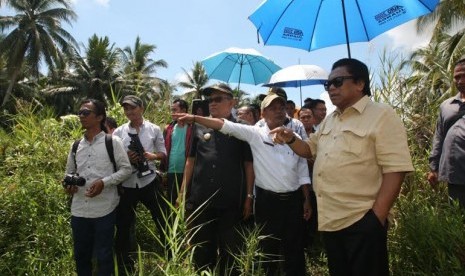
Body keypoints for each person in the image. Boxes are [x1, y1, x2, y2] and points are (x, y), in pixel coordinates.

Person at [271, 58, 414, 276]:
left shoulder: (382, 115)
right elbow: (309, 150)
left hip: (362, 220)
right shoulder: (330, 120)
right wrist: (291, 138)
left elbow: (396, 169)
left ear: (360, 84)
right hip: (331, 221)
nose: (331, 88)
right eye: (328, 84)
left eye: (338, 81)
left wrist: (376, 217)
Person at [176, 93, 311, 276]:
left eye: (281, 107)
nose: (279, 111)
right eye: (273, 108)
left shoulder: (293, 135)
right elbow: (225, 125)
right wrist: (194, 118)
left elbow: (302, 167)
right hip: (267, 201)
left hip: (293, 200)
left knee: (294, 248)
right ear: (263, 113)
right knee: (267, 250)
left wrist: (306, 198)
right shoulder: (255, 134)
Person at [177, 83, 254, 275]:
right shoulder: (199, 125)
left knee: (231, 253)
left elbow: (248, 165)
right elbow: (191, 161)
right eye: (210, 100)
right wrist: (182, 192)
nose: (212, 103)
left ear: (232, 102)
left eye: (218, 99)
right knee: (202, 252)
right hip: (201, 200)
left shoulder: (242, 128)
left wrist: (249, 196)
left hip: (231, 201)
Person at [64, 99, 132, 275]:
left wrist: (104, 182)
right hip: (79, 209)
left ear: (100, 117)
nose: (81, 116)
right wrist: (68, 186)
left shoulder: (113, 142)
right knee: (81, 255)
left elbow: (126, 170)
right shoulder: (76, 145)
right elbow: (69, 174)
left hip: (104, 209)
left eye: (86, 113)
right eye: (80, 113)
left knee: (104, 255)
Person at [113, 95, 167, 273]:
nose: (129, 112)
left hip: (149, 181)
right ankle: (124, 264)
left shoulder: (154, 129)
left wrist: (151, 156)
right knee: (124, 225)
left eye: (132, 108)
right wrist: (126, 157)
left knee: (162, 219)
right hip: (127, 183)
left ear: (141, 108)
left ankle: (171, 254)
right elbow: (112, 157)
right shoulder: (119, 132)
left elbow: (162, 153)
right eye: (126, 109)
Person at [428, 57, 465, 207]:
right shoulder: (446, 105)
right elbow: (439, 137)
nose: (460, 80)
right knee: (457, 217)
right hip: (454, 174)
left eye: (464, 76)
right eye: (457, 77)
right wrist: (433, 168)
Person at [163, 98, 193, 206]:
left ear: (184, 110)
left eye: (175, 110)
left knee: (186, 203)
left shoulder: (193, 128)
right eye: (172, 110)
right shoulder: (169, 128)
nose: (173, 113)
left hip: (188, 172)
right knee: (171, 203)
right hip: (171, 171)